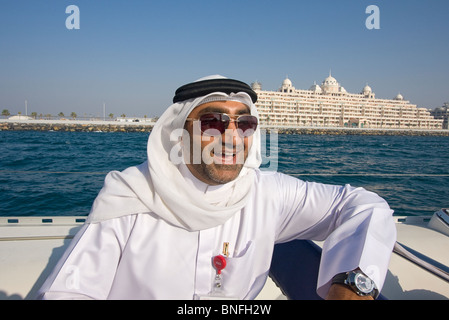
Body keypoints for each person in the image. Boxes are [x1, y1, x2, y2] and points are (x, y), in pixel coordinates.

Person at [37, 75, 396, 300]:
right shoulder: (131, 196)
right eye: (213, 121)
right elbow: (69, 290)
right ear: (180, 133)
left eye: (244, 124)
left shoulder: (266, 194)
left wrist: (354, 284)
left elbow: (364, 205)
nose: (231, 137)